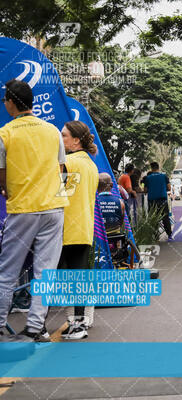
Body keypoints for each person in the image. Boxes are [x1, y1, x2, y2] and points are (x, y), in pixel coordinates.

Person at [0, 79, 68, 342]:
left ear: (11, 102)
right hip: (54, 209)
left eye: (5, 100)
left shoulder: (5, 133)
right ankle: (35, 328)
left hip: (23, 209)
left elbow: (2, 177)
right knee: (45, 272)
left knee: (7, 271)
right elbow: (61, 170)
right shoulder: (52, 131)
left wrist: (8, 189)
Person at [58, 120, 99, 340]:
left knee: (49, 278)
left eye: (63, 135)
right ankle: (78, 326)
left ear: (76, 140)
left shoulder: (69, 163)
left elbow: (61, 195)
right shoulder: (90, 164)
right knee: (78, 281)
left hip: (64, 230)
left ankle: (37, 328)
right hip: (83, 229)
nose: (60, 138)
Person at [142, 162, 172, 240]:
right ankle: (169, 235)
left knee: (154, 218)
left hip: (152, 201)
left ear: (151, 168)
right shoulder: (164, 176)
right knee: (165, 218)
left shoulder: (148, 178)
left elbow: (145, 190)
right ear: (158, 168)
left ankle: (155, 236)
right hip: (162, 200)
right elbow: (169, 188)